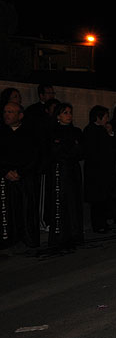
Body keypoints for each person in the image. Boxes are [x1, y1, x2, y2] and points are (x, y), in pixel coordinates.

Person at [0, 102, 40, 250]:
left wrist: (21, 172)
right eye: (5, 111)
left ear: (20, 115)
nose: (7, 115)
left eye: (10, 112)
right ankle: (8, 238)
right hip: (6, 177)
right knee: (8, 210)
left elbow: (35, 156)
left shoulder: (30, 133)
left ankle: (29, 237)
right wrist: (5, 171)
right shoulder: (2, 132)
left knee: (27, 208)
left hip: (25, 176)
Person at [46, 103, 85, 252]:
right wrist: (67, 150)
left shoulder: (76, 131)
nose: (68, 115)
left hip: (73, 170)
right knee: (60, 201)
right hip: (59, 170)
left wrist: (68, 150)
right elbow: (54, 152)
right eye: (65, 113)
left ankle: (75, 234)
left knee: (74, 201)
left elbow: (80, 152)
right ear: (58, 116)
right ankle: (59, 236)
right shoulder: (52, 132)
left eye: (70, 112)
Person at [83, 105, 116, 234]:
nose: (107, 119)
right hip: (96, 172)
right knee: (97, 201)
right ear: (98, 117)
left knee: (104, 199)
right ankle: (98, 225)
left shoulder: (102, 130)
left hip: (104, 171)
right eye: (106, 116)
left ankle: (104, 223)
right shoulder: (90, 130)